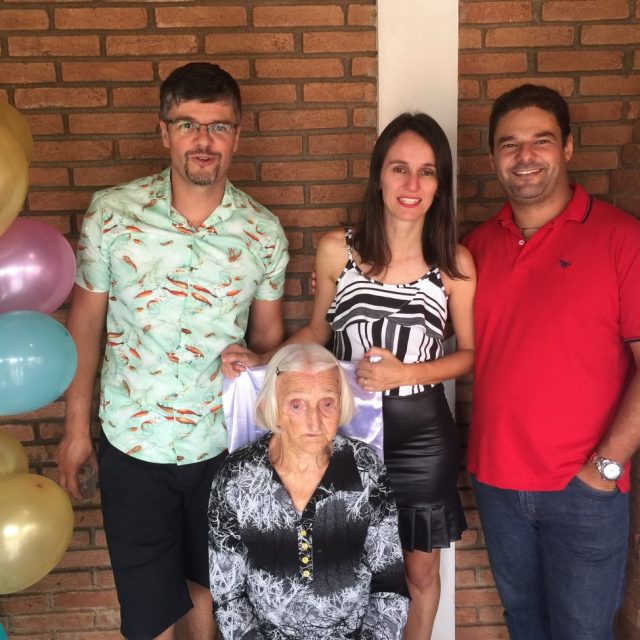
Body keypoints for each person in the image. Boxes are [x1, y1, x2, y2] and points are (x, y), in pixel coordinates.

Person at [56, 62, 289, 640]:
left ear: (237, 135)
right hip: (132, 442)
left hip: (221, 446)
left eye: (218, 126)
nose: (203, 140)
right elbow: (85, 324)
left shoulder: (263, 233)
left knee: (209, 598)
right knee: (148, 615)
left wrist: (259, 364)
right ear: (164, 132)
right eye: (188, 124)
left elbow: (268, 343)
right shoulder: (112, 214)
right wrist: (76, 430)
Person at [222, 113, 476, 639]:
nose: (411, 184)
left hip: (422, 436)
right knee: (349, 569)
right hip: (349, 428)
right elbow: (317, 330)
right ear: (379, 175)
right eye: (399, 168)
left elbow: (469, 354)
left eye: (427, 172)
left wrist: (405, 373)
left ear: (440, 183)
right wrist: (259, 361)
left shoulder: (454, 262)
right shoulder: (339, 248)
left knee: (418, 573)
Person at [462, 83, 640, 640]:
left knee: (582, 633)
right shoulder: (475, 249)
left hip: (583, 489)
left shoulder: (622, 239)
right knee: (524, 625)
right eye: (509, 144)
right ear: (493, 157)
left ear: (567, 146)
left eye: (540, 140)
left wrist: (606, 467)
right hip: (496, 483)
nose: (525, 156)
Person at [209, 343, 410, 639]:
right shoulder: (236, 476)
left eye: (327, 403)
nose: (314, 422)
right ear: (272, 408)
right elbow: (228, 597)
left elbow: (390, 586)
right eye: (297, 405)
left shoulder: (365, 467)